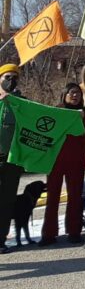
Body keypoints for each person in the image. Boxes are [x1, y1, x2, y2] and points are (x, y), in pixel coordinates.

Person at [41, 83, 85, 245]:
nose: (75, 95)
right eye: (72, 93)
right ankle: (49, 234)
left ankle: (74, 231)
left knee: (75, 197)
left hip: (76, 162)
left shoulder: (84, 115)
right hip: (55, 161)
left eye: (78, 93)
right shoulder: (55, 112)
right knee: (52, 197)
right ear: (64, 95)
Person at [0, 64, 24, 253]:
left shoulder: (23, 103)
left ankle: (1, 239)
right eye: (7, 77)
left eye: (14, 78)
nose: (11, 81)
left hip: (13, 159)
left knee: (7, 201)